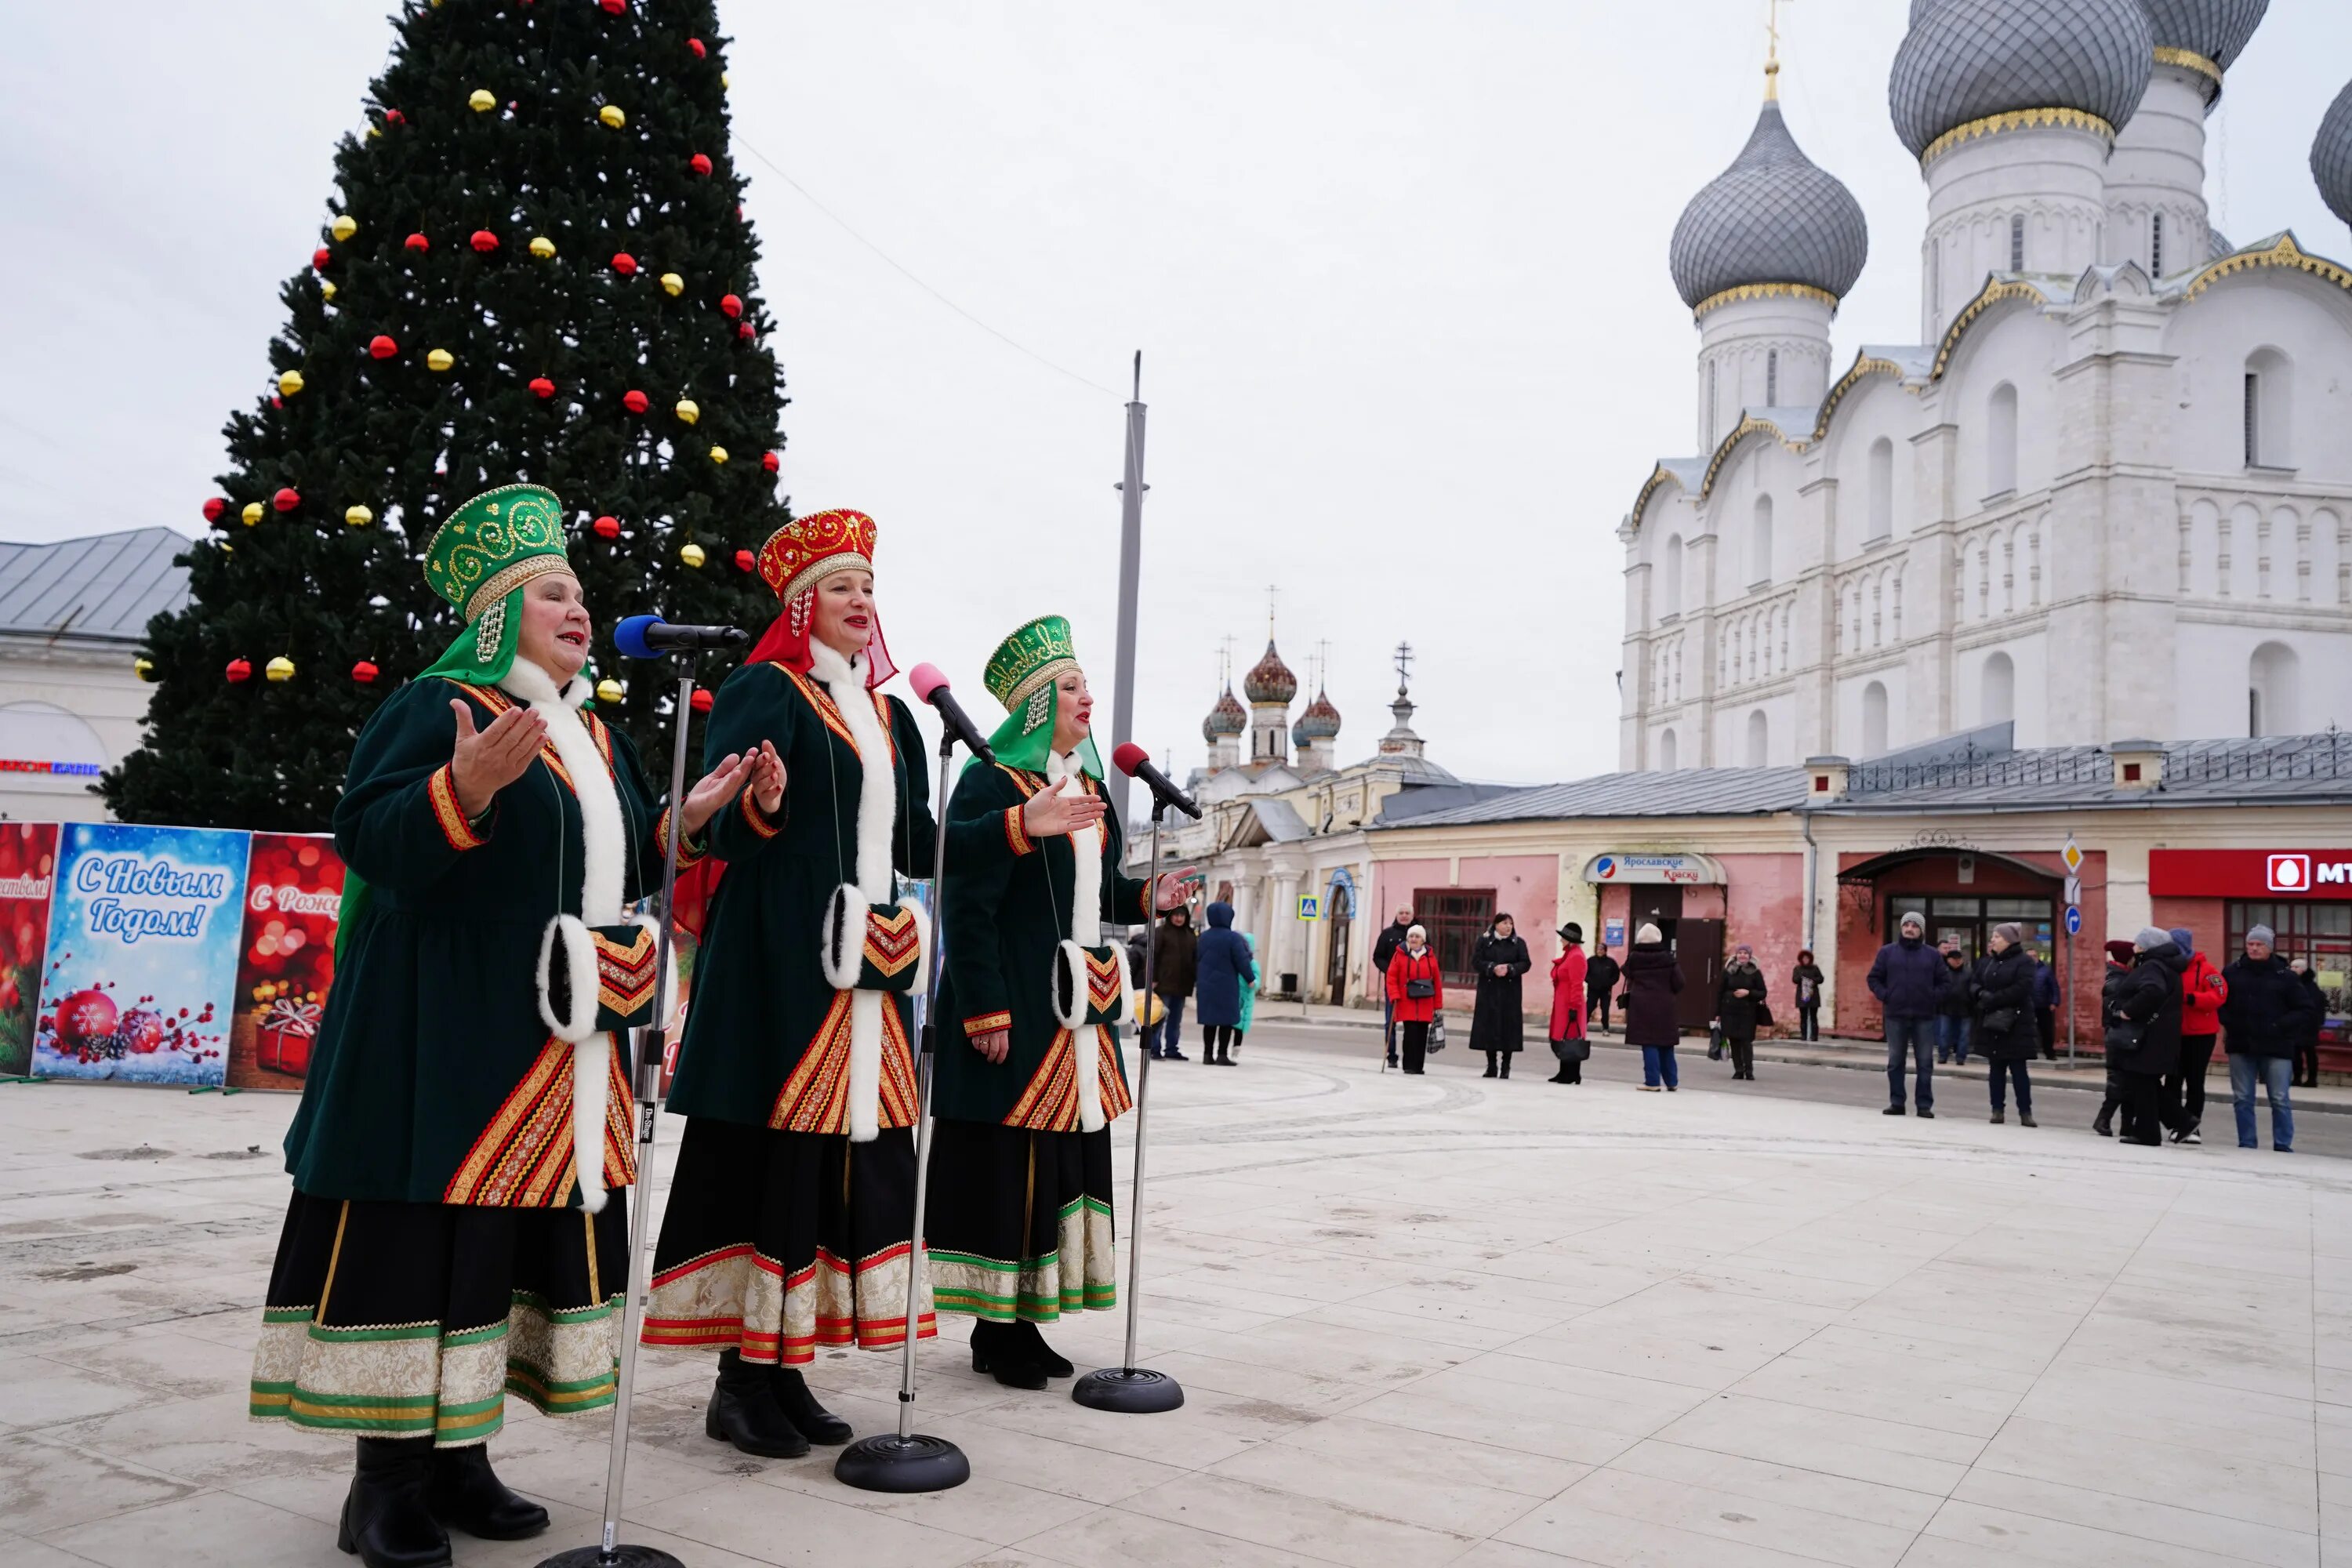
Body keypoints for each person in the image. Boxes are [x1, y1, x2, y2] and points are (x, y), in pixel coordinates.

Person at [249, 485, 756, 1564]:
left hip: (555, 1043)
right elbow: (373, 837)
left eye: (580, 591)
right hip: (437, 1034)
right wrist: (461, 788)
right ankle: (383, 1483)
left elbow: (599, 864)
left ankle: (461, 1460)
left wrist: (687, 823)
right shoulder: (438, 704)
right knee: (423, 1238)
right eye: (550, 593)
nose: (579, 608)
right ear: (493, 614)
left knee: (499, 1247)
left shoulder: (595, 734)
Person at [648, 510, 1025, 1457]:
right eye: (843, 584)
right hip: (779, 967)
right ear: (802, 601)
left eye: (870, 585)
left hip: (870, 980)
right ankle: (741, 1380)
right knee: (773, 1164)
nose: (863, 601)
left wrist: (1023, 826)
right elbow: (713, 829)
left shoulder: (897, 718)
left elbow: (914, 847)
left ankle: (788, 1368)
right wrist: (762, 808)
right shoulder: (762, 690)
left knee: (837, 1175)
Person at [927, 615, 1192, 1389]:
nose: (1087, 696)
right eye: (1071, 685)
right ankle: (993, 1325)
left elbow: (1098, 890)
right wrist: (984, 1006)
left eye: (1084, 683)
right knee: (1009, 1169)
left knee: (1055, 1168)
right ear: (1036, 702)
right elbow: (967, 900)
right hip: (1017, 1007)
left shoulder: (1085, 784)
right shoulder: (993, 780)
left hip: (1076, 1013)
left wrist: (1150, 894)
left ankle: (1027, 1320)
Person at [2217, 924, 2310, 1152]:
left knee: (2279, 1097)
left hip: (2277, 1045)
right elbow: (2220, 1002)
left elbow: (2304, 1008)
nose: (2254, 948)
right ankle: (2247, 1142)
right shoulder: (2232, 972)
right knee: (2242, 1097)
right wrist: (2231, 1023)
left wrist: (2279, 1026)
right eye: (2250, 944)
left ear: (2269, 948)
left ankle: (2282, 1144)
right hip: (2241, 1043)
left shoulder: (2285, 976)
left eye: (2259, 944)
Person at [2104, 928, 2186, 1145]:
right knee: (2145, 1082)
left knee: (2141, 1081)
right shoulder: (2165, 965)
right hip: (2159, 1033)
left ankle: (2151, 1132)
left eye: (2138, 944)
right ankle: (2179, 1122)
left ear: (2147, 947)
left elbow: (2152, 991)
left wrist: (2128, 1011)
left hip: (2148, 1034)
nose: (2134, 947)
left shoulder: (2152, 966)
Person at [1868, 911, 1946, 1117]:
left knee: (1925, 1062)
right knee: (1895, 1062)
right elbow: (1874, 978)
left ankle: (1924, 1105)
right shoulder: (1887, 952)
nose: (1910, 928)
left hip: (1924, 1016)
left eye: (1914, 925)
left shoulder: (1932, 955)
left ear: (1921, 930)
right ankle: (1897, 1102)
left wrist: (1932, 997)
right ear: (1901, 928)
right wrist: (1886, 995)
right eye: (1906, 925)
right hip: (1895, 1015)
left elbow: (1945, 983)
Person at [2164, 926, 2227, 1145]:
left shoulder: (2208, 970)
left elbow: (2219, 994)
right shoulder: (2168, 968)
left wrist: (2192, 999)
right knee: (2172, 1080)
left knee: (2195, 1081)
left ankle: (2193, 1126)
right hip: (2173, 1033)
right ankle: (2176, 1123)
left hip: (2201, 1035)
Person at [1973, 923, 2039, 1126]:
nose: (1992, 940)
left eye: (1997, 937)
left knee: (2018, 1069)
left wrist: (1995, 998)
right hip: (1993, 1023)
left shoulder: (2024, 962)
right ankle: (1997, 1109)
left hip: (2017, 1024)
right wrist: (1981, 994)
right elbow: (1974, 983)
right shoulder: (1988, 962)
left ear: (2009, 940)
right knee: (1996, 1069)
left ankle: (2025, 1112)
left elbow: (2022, 988)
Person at [1621, 923, 1684, 1091]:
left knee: (1649, 1043)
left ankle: (1652, 1082)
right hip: (1665, 1005)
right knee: (1666, 1043)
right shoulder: (1668, 958)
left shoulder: (1634, 957)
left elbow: (1626, 972)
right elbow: (1680, 983)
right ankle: (1672, 1082)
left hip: (1641, 1005)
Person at [1192, 900, 1255, 1066]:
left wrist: (1195, 980)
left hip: (1206, 985)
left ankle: (1207, 1055)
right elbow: (1242, 960)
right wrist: (1250, 978)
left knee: (1210, 1022)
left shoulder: (1203, 937)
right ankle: (1222, 1055)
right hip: (1227, 986)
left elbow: (1195, 959)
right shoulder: (1233, 938)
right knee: (1226, 1022)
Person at [1470, 913, 1533, 1079]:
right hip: (1489, 991)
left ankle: (1506, 1065)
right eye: (1505, 923)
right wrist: (1492, 968)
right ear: (1496, 925)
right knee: (1489, 1028)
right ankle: (1491, 1066)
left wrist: (1511, 969)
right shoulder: (1485, 941)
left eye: (1511, 923)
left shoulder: (1519, 943)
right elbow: (1476, 961)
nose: (1508, 926)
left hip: (1510, 992)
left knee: (1508, 1028)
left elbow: (1526, 963)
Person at [2092, 939, 2136, 1137]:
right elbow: (2113, 1012)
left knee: (2126, 1082)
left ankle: (2126, 1124)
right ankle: (2103, 1119)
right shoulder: (2119, 982)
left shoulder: (2122, 977)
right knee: (2119, 1081)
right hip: (2119, 1036)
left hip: (2120, 1035)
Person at [1386, 924, 1443, 1074]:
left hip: (1425, 1001)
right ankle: (1408, 1065)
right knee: (1410, 1034)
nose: (1414, 939)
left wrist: (1438, 1004)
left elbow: (1436, 981)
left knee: (1421, 1035)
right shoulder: (1399, 955)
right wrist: (1394, 995)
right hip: (1406, 1000)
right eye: (1411, 936)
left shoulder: (1430, 956)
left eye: (1417, 936)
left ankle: (1419, 1066)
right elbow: (1391, 977)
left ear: (1423, 940)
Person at [1148, 904, 1198, 1061]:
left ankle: (1171, 1048)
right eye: (1176, 915)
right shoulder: (1161, 933)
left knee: (1176, 1020)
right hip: (1163, 983)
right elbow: (1152, 957)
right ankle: (1154, 1048)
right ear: (1170, 916)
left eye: (1182, 915)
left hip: (1182, 984)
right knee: (1158, 1017)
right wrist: (1153, 978)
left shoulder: (1190, 935)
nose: (1179, 918)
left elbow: (1195, 959)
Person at [1715, 942, 1767, 1080]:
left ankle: (1748, 1070)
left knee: (1746, 1042)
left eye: (1745, 953)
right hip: (1729, 1011)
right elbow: (1720, 991)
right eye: (1740, 953)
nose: (1742, 955)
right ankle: (1738, 1070)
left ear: (1749, 956)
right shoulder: (1728, 970)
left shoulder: (1755, 972)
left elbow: (1762, 992)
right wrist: (1717, 1013)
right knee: (1734, 1042)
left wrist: (1748, 992)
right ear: (1736, 955)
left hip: (1748, 1012)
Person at [1373, 905, 1414, 1065]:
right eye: (1401, 913)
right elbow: (1378, 957)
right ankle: (1391, 1056)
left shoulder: (1419, 934)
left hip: (1413, 985)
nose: (1404, 916)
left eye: (1407, 913)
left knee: (1411, 1022)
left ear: (1412, 915)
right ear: (1397, 915)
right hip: (1393, 984)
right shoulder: (1387, 934)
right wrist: (1390, 970)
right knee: (1390, 1021)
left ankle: (1410, 1056)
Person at [1548, 921, 1588, 1084]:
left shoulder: (1576, 956)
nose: (1560, 941)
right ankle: (1564, 1071)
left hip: (1570, 1004)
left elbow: (1577, 985)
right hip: (1563, 1003)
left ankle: (1572, 1074)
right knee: (1563, 1037)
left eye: (1563, 938)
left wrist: (1573, 1007)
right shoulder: (1570, 954)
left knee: (1571, 1038)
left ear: (1570, 940)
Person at [1934, 942, 1974, 1065]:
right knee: (1944, 1034)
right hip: (1946, 1008)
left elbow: (1973, 990)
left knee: (1964, 1035)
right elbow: (1937, 989)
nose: (1957, 961)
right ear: (1949, 960)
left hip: (1965, 1009)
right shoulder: (1943, 972)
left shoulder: (1969, 973)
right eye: (1954, 959)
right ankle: (1943, 1055)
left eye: (1959, 959)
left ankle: (1961, 1057)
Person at [2291, 957, 2325, 1088]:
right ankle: (2297, 1078)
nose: (2293, 969)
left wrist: (2314, 1022)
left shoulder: (2310, 986)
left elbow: (2316, 1005)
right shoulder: (2294, 983)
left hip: (2308, 1025)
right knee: (2296, 1053)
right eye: (2292, 967)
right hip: (2296, 1024)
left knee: (2309, 1052)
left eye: (2296, 967)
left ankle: (2312, 1079)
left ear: (2303, 970)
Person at [1233, 930, 1259, 1059]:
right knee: (1230, 1023)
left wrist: (1254, 983)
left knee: (1240, 1026)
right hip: (1235, 994)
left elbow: (1257, 977)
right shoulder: (1236, 961)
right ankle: (1228, 1047)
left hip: (1246, 997)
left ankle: (1236, 1047)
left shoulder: (1253, 964)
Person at [1586, 944, 1622, 1034]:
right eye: (1598, 949)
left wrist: (1609, 983)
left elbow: (1616, 975)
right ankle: (1583, 1026)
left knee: (1605, 1009)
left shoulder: (1611, 962)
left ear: (1605, 951)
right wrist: (1591, 982)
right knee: (1589, 1007)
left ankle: (1605, 1028)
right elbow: (1584, 974)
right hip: (1593, 990)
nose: (1600, 951)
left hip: (1606, 990)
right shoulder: (1590, 961)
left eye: (1602, 949)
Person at [1791, 949, 1824, 1042]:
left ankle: (1814, 1036)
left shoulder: (1815, 968)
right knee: (1803, 1017)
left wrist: (1812, 980)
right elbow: (1794, 979)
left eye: (1807, 958)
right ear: (1801, 959)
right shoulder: (1798, 969)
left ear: (1810, 959)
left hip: (1813, 996)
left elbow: (1821, 979)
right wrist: (1802, 978)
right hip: (1802, 996)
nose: (1806, 960)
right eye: (1804, 958)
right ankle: (1804, 1036)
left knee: (1813, 1016)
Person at [2032, 954, 2060, 1060]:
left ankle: (2049, 1052)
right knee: (2028, 1030)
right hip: (2028, 1005)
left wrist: (2054, 1002)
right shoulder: (2024, 970)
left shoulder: (2046, 971)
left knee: (2046, 1030)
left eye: (2033, 956)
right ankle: (2030, 1051)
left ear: (2038, 957)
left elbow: (2054, 987)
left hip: (2043, 1005)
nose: (2031, 958)